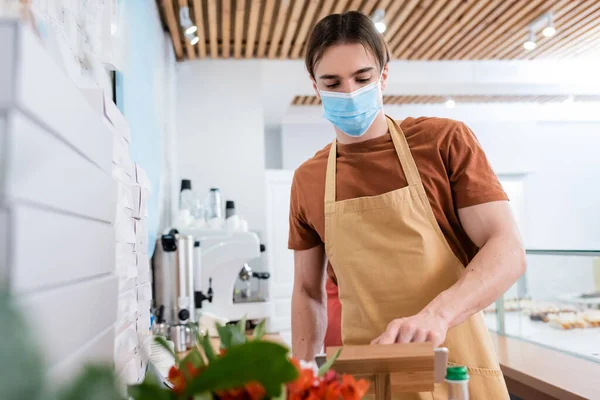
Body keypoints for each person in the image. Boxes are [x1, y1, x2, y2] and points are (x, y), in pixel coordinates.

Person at [288, 11, 525, 399]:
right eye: (333, 82)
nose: (349, 93)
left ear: (383, 76)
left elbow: (508, 249)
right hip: (366, 383)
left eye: (362, 79)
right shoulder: (308, 179)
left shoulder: (442, 142)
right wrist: (303, 380)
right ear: (315, 86)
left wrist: (438, 314)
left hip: (455, 373)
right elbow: (307, 291)